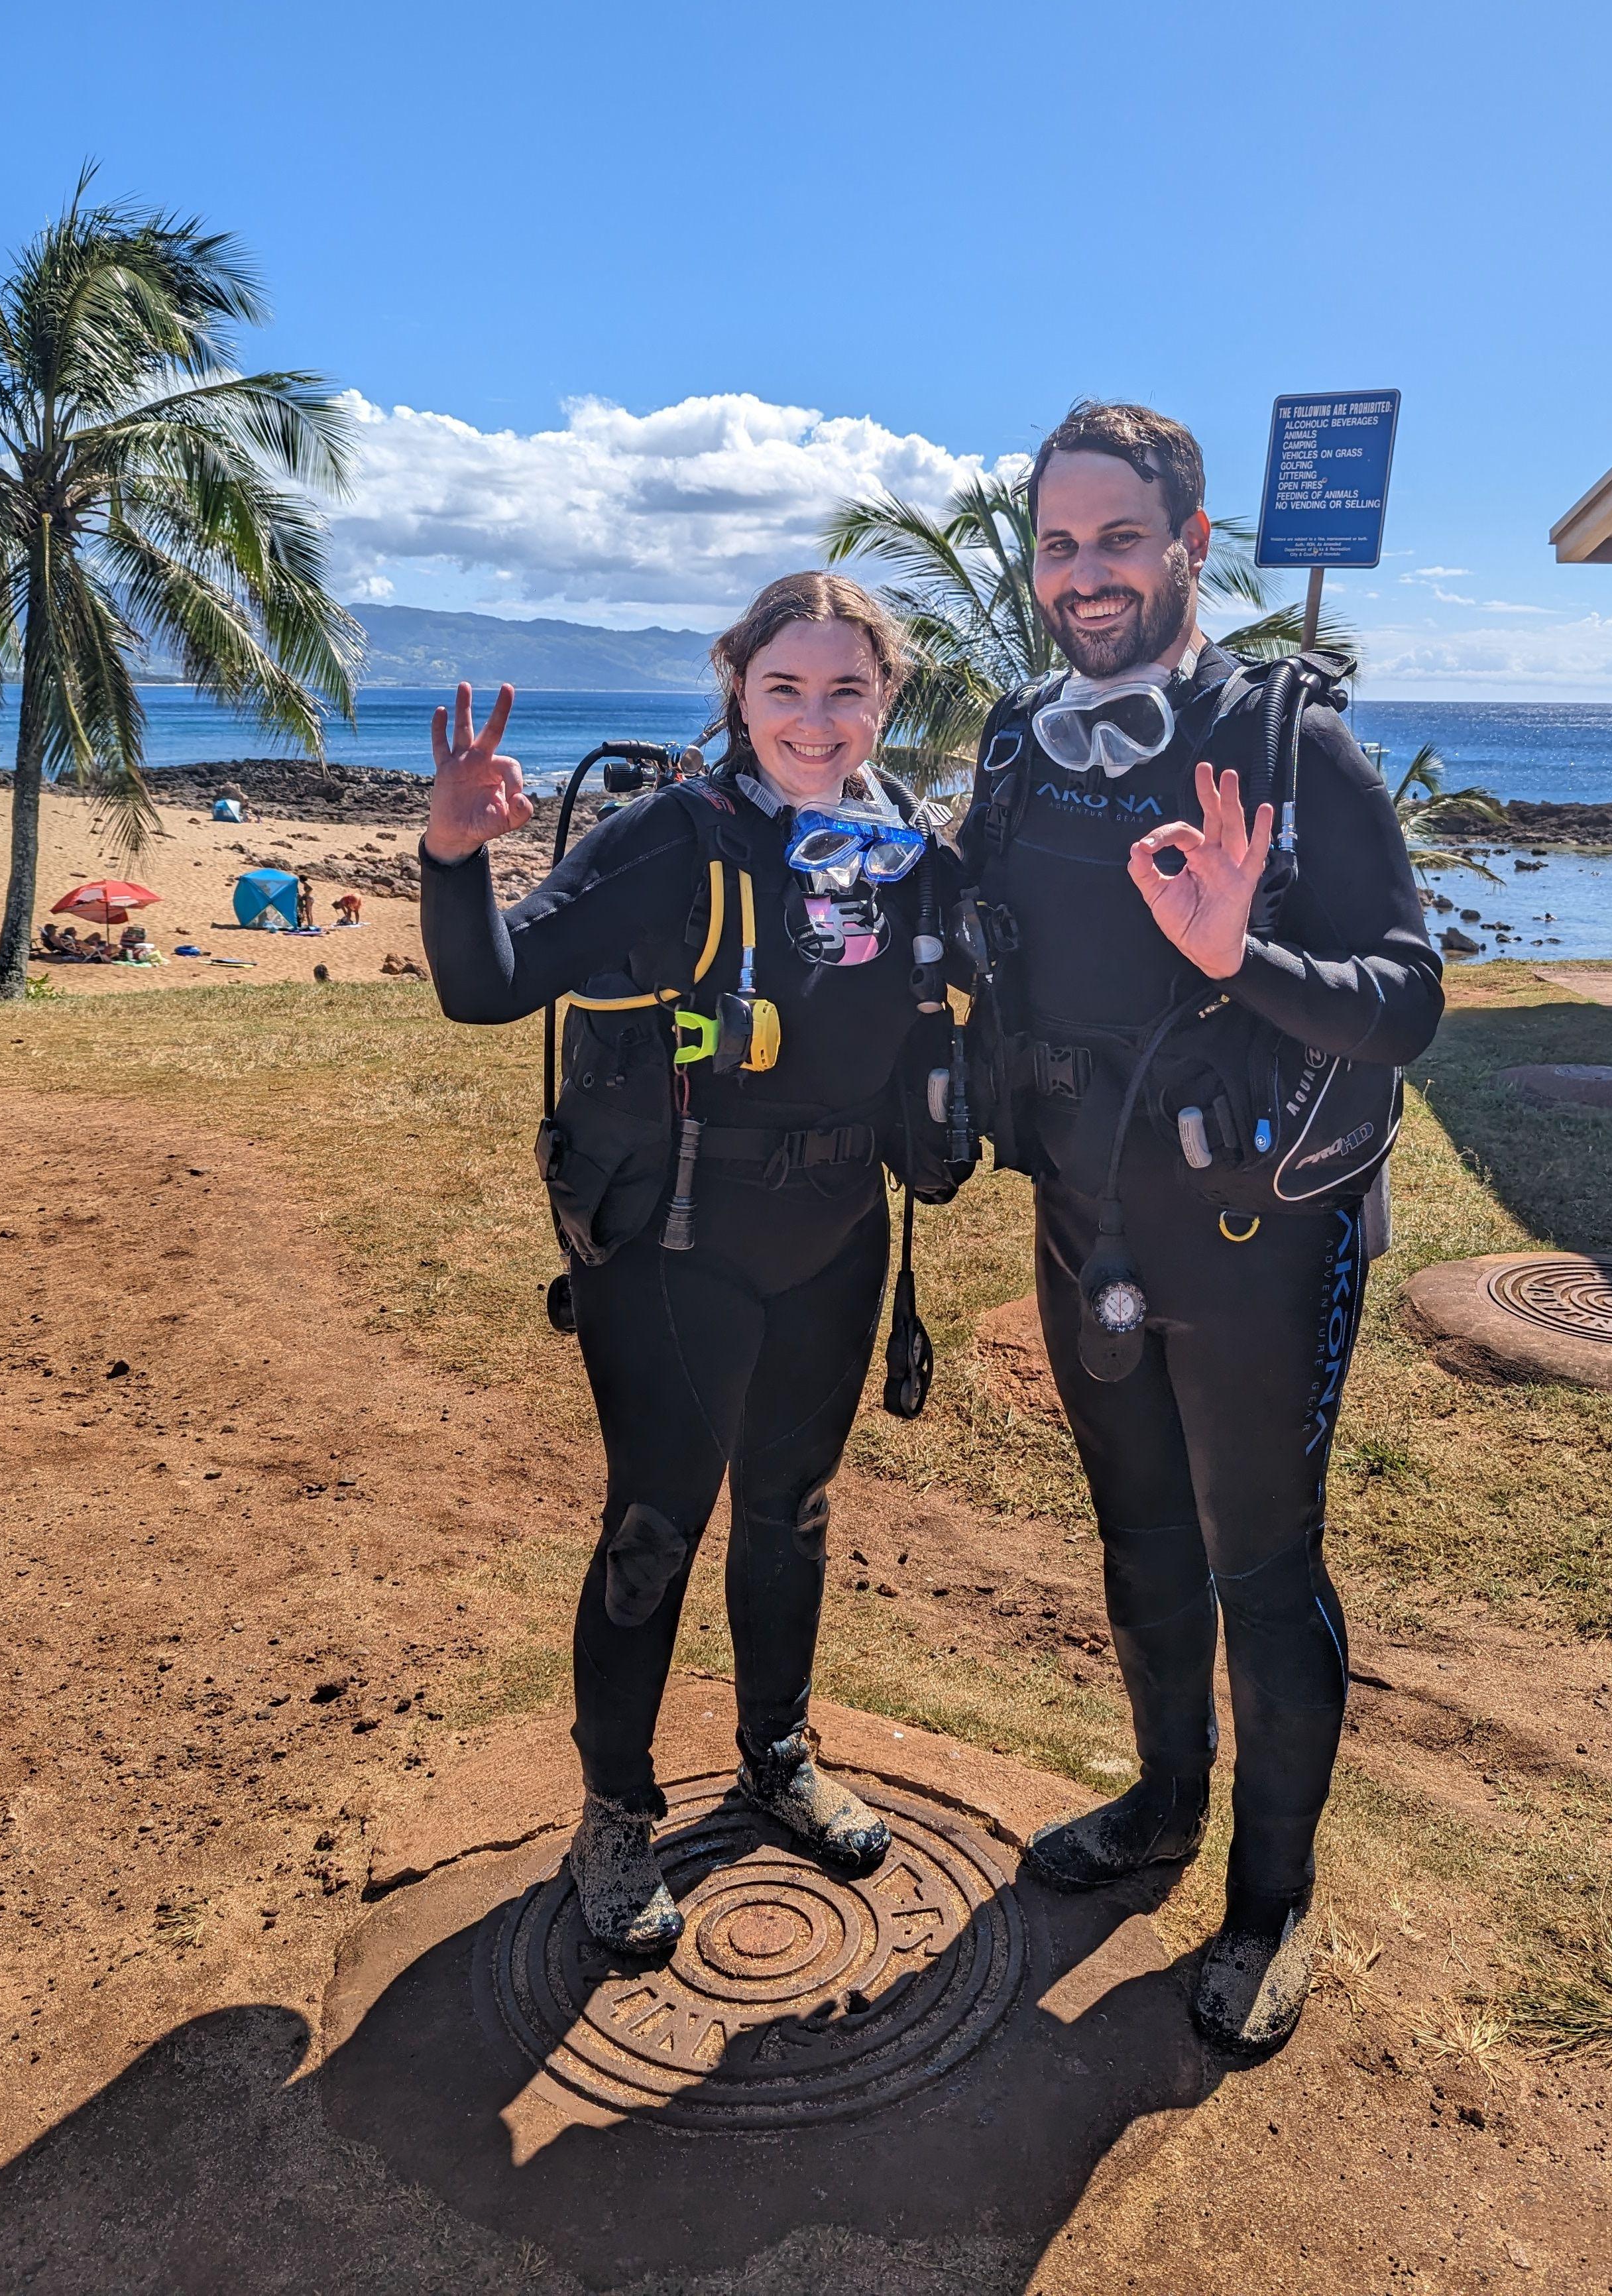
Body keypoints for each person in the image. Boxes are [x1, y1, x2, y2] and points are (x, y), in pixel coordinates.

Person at [955, 401, 1443, 2057]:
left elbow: (1411, 1001)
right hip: (1084, 1223)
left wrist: (1248, 958)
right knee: (1141, 1540)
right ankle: (1163, 1808)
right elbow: (963, 921)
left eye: (1119, 539)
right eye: (1059, 544)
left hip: (1254, 1241)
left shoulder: (1290, 743)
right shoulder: (1019, 744)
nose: (1085, 575)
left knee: (1257, 1563)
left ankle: (1272, 1901)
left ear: (1191, 545)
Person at [419, 573, 956, 1957]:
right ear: (737, 688)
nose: (816, 719)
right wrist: (452, 853)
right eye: (785, 688)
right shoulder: (675, 839)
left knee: (796, 1513)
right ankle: (614, 1816)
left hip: (839, 1237)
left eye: (848, 690)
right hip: (674, 1247)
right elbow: (487, 987)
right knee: (656, 1530)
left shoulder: (903, 842)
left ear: (887, 697)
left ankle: (777, 1757)